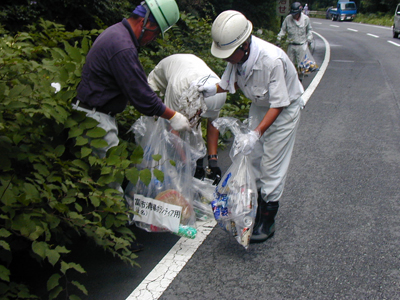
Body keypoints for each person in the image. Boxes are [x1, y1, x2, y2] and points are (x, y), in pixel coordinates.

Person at [198, 10, 304, 243]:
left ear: (244, 45)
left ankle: (268, 219)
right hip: (260, 105)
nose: (226, 59)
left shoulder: (271, 60)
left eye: (229, 54)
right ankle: (253, 206)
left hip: (284, 108)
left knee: (272, 163)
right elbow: (228, 82)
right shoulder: (237, 57)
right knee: (252, 157)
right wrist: (212, 89)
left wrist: (256, 133)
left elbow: (278, 105)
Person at [73, 0, 190, 161]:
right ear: (144, 22)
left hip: (90, 114)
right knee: (112, 179)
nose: (153, 39)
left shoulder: (117, 33)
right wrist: (173, 116)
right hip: (95, 120)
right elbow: (140, 94)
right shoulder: (123, 47)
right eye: (155, 33)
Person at [147, 54, 227, 184]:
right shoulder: (178, 88)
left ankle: (195, 160)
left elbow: (213, 124)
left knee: (192, 129)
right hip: (165, 78)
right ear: (197, 101)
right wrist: (186, 162)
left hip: (192, 71)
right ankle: (156, 164)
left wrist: (213, 160)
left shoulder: (217, 91)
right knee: (160, 128)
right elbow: (172, 128)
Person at [277, 2, 313, 75]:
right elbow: (283, 30)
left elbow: (309, 30)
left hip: (301, 45)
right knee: (289, 65)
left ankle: (300, 79)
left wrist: (309, 39)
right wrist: (278, 39)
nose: (294, 16)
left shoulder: (306, 19)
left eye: (296, 14)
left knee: (301, 65)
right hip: (291, 44)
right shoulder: (288, 19)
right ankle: (290, 79)